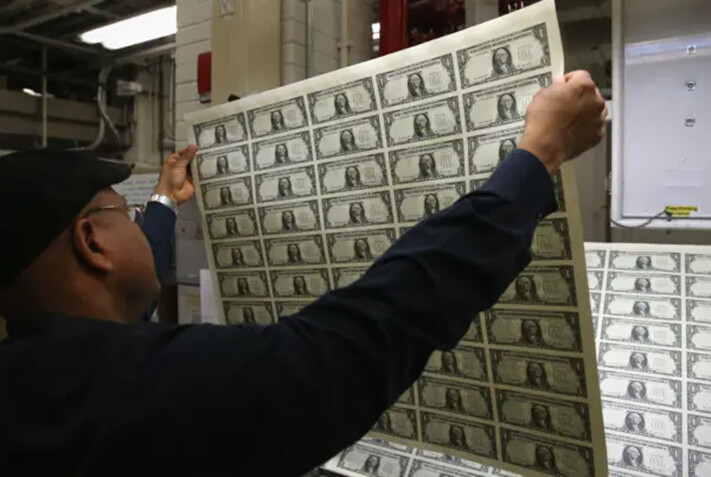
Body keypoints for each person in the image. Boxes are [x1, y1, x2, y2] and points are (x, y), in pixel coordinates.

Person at [0, 70, 607, 475]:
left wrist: (160, 206)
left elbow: (128, 272)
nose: (139, 223)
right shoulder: (139, 392)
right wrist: (535, 161)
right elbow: (352, 344)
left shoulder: (36, 373)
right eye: (124, 212)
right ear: (91, 243)